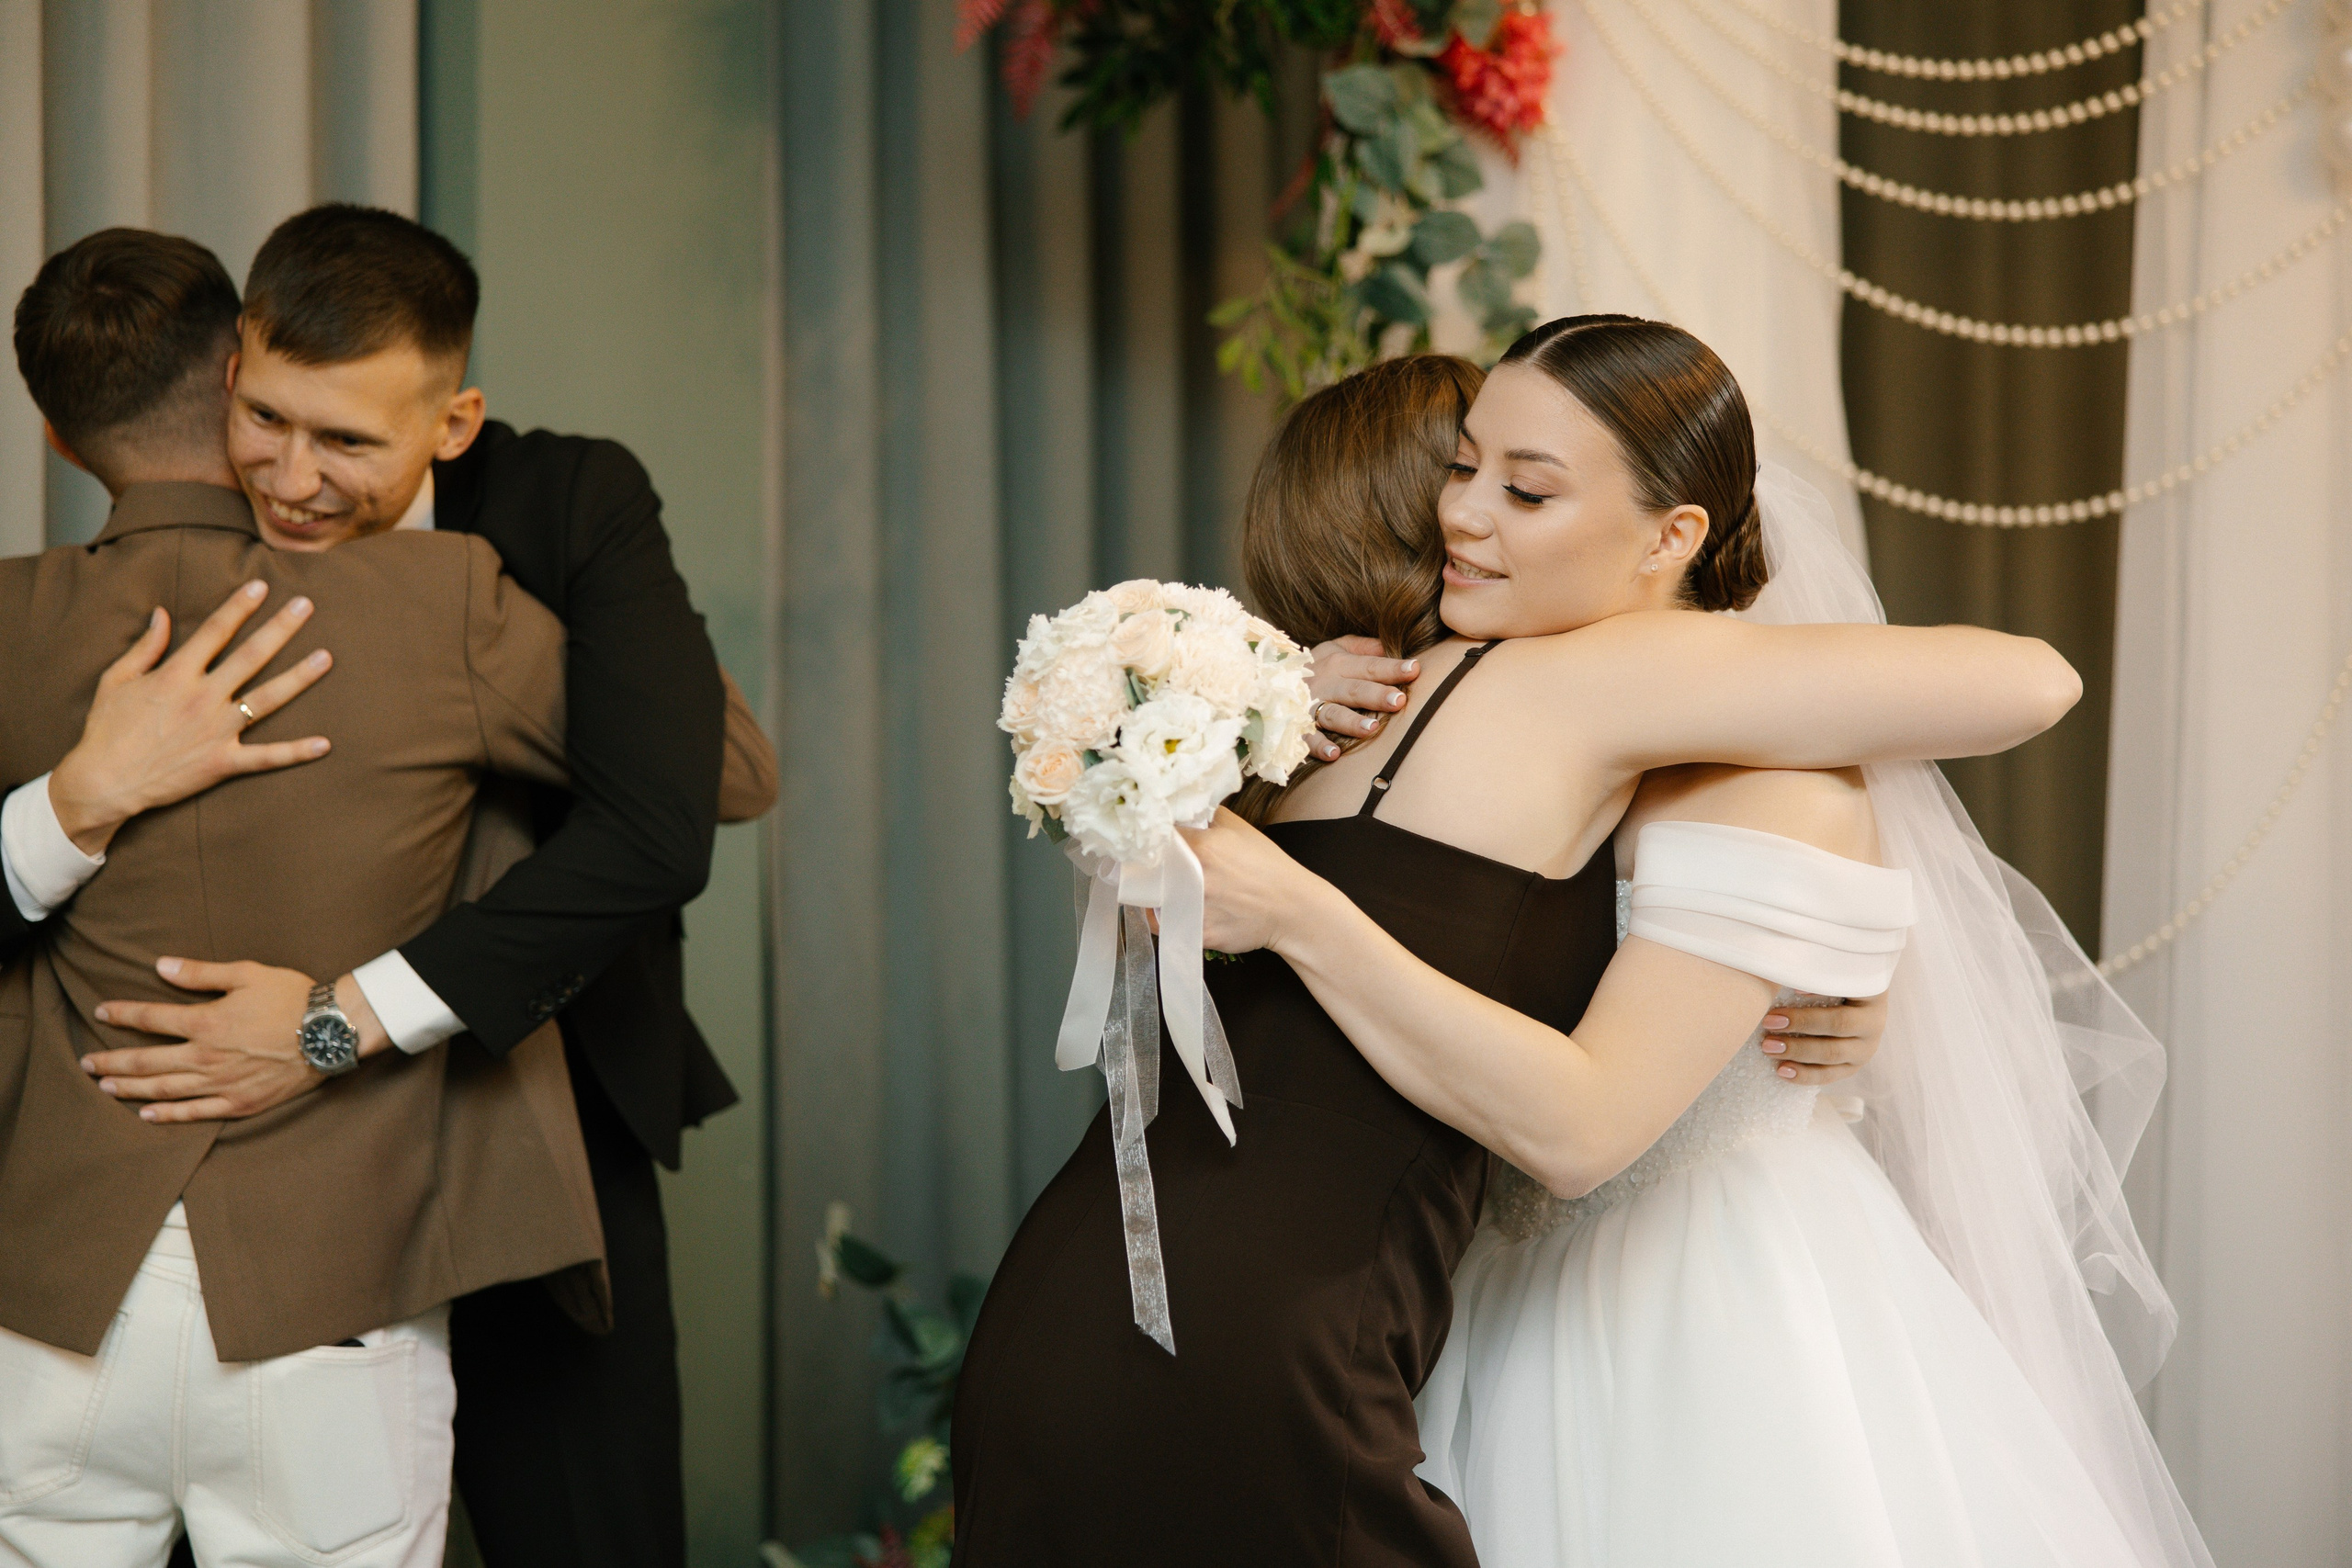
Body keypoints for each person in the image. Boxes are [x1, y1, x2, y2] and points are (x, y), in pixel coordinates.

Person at [948, 344, 2082, 1565]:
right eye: (1463, 471)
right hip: (1373, 1330)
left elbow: (2023, 684)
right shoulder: (1446, 700)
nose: (1465, 519)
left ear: (1671, 539)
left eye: (1523, 492)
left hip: (1150, 1310)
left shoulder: (1479, 705)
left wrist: (1848, 986)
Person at [0, 208, 758, 1568]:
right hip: (268, 1235)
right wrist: (85, 792)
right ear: (227, 372)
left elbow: (694, 797)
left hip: (527, 1102)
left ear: (451, 425)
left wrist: (330, 1021)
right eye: (267, 423)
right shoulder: (196, 604)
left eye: (346, 443)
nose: (289, 481)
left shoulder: (550, 515)